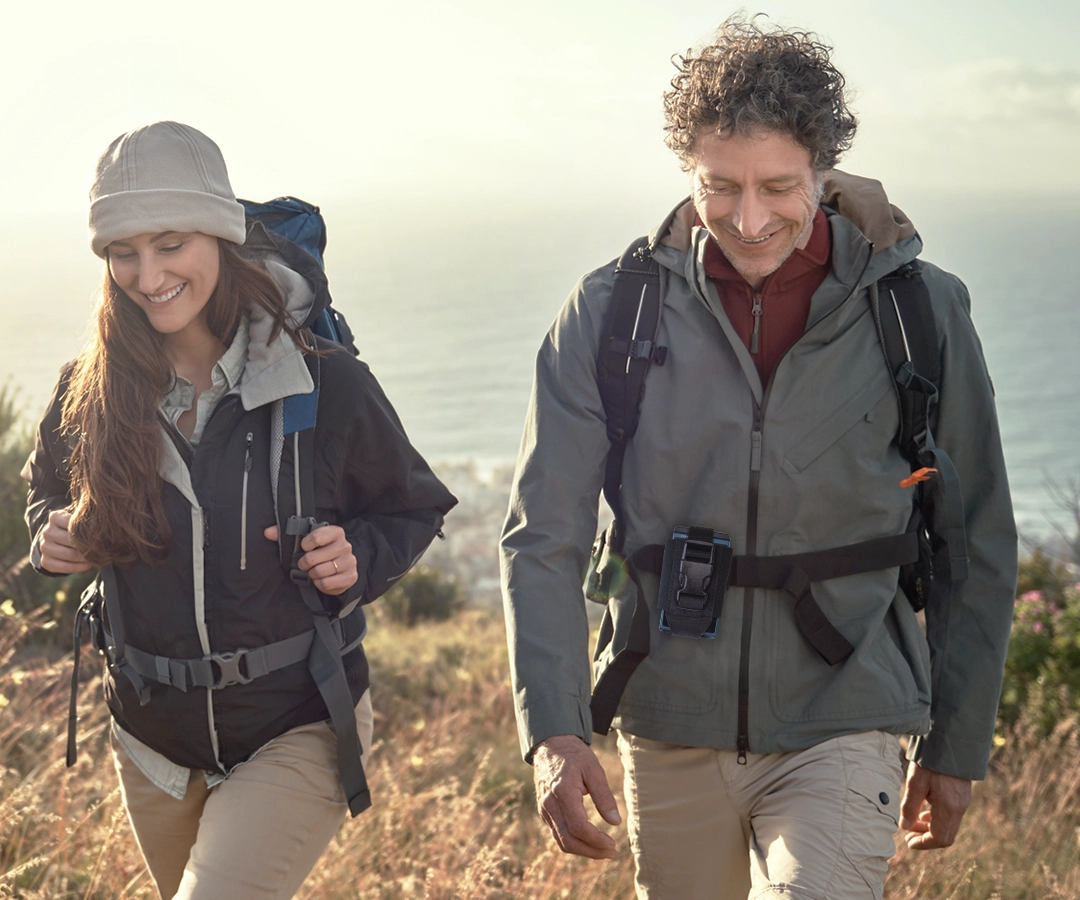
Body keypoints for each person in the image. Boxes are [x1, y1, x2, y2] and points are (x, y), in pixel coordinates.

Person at [500, 18, 1017, 899]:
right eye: (719, 187)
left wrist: (957, 742)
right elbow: (541, 534)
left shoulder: (918, 312)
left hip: (849, 711)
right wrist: (554, 733)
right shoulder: (608, 313)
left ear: (823, 166)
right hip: (664, 718)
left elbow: (974, 537)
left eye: (779, 186)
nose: (748, 219)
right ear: (686, 171)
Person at [24, 121, 457, 900]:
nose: (146, 273)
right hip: (150, 740)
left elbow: (413, 507)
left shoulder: (325, 383)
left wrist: (356, 556)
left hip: (296, 725)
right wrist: (55, 534)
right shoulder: (85, 391)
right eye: (123, 252)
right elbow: (46, 489)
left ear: (221, 236)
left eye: (169, 243)